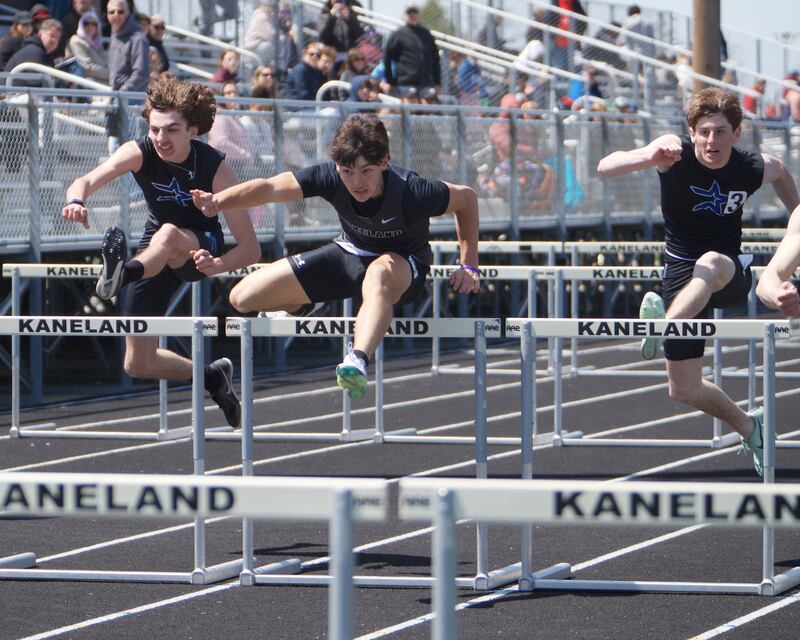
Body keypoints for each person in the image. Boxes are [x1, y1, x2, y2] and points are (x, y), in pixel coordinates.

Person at [190, 113, 480, 399]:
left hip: (402, 266)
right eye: (347, 172)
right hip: (349, 254)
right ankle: (301, 305)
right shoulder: (329, 176)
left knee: (378, 273)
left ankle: (357, 359)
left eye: (366, 171)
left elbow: (466, 199)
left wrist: (469, 264)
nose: (357, 183)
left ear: (385, 162)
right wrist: (218, 201)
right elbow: (269, 188)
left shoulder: (413, 191)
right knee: (242, 297)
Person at [597, 87, 800, 476]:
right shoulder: (671, 154)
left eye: (721, 132)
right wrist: (648, 156)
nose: (712, 141)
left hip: (729, 269)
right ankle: (748, 425)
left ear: (736, 133)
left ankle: (661, 325)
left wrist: (796, 222)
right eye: (705, 132)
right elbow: (606, 167)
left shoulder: (752, 165)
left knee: (709, 262)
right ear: (692, 133)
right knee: (684, 389)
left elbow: (782, 173)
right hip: (679, 271)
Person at [61, 74, 260, 428]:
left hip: (201, 244)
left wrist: (218, 264)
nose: (160, 139)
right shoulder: (140, 151)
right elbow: (86, 180)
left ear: (192, 131)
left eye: (171, 131)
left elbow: (250, 248)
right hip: (155, 247)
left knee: (169, 234)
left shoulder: (215, 169)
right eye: (155, 129)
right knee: (138, 363)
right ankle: (213, 378)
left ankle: (124, 273)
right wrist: (76, 200)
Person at [383, 4, 440, 97]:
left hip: (426, 83)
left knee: (429, 107)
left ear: (419, 14)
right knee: (410, 107)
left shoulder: (426, 34)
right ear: (404, 15)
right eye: (409, 12)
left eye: (415, 12)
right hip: (405, 83)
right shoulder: (398, 34)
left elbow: (435, 58)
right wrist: (391, 82)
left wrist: (437, 82)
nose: (412, 15)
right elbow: (387, 58)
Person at [4, 18, 62, 87]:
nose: (54, 40)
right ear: (40, 33)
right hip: (11, 95)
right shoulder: (34, 51)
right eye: (51, 36)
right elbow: (36, 84)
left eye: (57, 37)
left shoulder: (44, 53)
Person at [107, 0, 149, 94]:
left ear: (128, 13)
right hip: (116, 94)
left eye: (120, 11)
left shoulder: (138, 39)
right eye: (111, 12)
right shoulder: (114, 36)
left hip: (130, 99)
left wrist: (122, 92)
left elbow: (141, 74)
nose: (116, 15)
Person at [65, 11, 108, 83]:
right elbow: (86, 68)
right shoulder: (76, 41)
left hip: (104, 82)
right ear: (81, 25)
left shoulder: (97, 43)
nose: (90, 26)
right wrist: (110, 73)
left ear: (97, 28)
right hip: (88, 85)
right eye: (86, 23)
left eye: (94, 24)